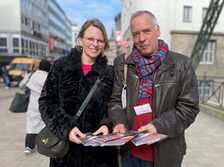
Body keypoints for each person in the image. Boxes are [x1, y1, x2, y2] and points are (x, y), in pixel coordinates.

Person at [108, 10, 200, 167]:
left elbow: (188, 108)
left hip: (166, 155)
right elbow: (115, 100)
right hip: (130, 154)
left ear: (158, 31)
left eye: (147, 31)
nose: (141, 38)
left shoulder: (181, 64)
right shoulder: (122, 64)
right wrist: (119, 123)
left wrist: (157, 126)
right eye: (136, 34)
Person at [38, 19, 118, 167]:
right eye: (90, 39)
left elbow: (116, 105)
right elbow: (46, 102)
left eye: (100, 40)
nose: (95, 44)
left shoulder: (110, 72)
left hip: (100, 155)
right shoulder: (60, 66)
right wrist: (67, 128)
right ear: (80, 39)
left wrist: (107, 124)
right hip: (66, 154)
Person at [19, 59, 51, 154]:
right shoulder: (49, 77)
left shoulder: (32, 75)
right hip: (45, 105)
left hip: (32, 105)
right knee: (45, 125)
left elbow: (21, 85)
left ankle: (29, 147)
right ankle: (45, 144)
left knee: (31, 125)